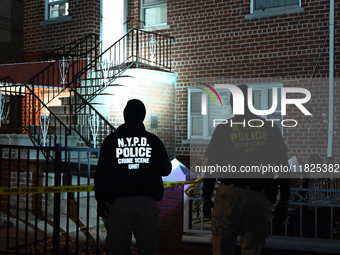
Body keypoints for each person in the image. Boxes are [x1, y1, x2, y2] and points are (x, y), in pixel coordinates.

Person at [202, 84, 290, 255]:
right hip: (259, 195)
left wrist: (206, 197)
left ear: (233, 104)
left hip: (230, 194)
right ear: (253, 103)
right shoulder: (270, 128)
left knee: (222, 247)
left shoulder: (224, 129)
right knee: (252, 248)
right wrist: (284, 201)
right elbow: (283, 167)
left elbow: (212, 166)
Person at [94, 99, 172, 255]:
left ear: (125, 116)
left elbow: (101, 173)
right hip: (147, 202)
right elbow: (166, 169)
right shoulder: (153, 141)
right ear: (143, 117)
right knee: (147, 248)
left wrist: (100, 200)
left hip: (119, 203)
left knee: (118, 248)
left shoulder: (111, 141)